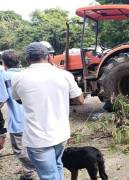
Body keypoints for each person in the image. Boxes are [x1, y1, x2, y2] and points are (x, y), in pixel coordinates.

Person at [12, 42, 84, 180]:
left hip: (37, 139)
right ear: (48, 57)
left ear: (27, 59)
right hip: (61, 135)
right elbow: (80, 100)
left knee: (49, 175)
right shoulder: (64, 75)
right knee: (57, 165)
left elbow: (19, 100)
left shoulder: (18, 78)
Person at [0, 50, 37, 180]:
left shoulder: (3, 76)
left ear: (4, 63)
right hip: (34, 119)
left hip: (18, 122)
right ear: (18, 62)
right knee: (32, 147)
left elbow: (1, 99)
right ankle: (29, 174)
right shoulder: (26, 74)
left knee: (19, 150)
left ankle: (39, 167)